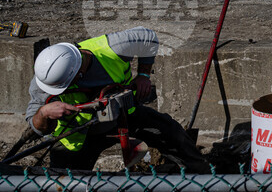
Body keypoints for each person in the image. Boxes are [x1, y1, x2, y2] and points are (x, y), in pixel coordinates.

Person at [26, 26, 210, 173]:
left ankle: (202, 177)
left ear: (79, 72)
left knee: (171, 133)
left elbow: (149, 37)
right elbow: (36, 126)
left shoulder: (111, 48)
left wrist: (144, 75)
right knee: (64, 184)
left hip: (124, 115)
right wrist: (43, 113)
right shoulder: (45, 81)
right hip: (78, 135)